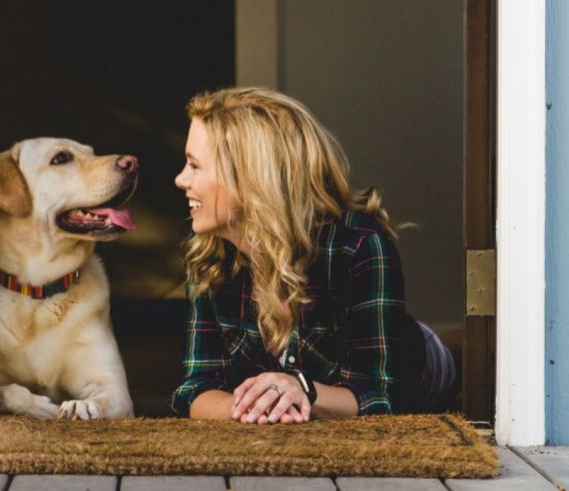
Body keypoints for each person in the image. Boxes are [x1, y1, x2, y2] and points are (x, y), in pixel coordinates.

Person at [170, 87, 456, 424]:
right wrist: (257, 409)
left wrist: (303, 390)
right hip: (291, 383)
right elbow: (197, 387)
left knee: (460, 351)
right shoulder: (207, 250)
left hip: (416, 364)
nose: (180, 179)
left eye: (194, 165)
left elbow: (380, 392)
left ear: (250, 177)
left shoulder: (359, 244)